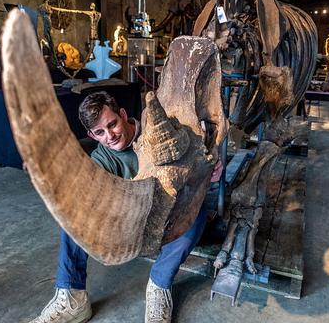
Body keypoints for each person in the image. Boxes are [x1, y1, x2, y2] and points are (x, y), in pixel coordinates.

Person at [30, 91, 222, 323]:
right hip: (131, 226)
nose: (110, 136)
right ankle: (71, 296)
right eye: (100, 132)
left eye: (112, 124)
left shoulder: (160, 130)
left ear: (122, 114)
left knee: (196, 210)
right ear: (91, 135)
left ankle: (159, 286)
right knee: (74, 215)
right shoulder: (102, 159)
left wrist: (209, 172)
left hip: (172, 221)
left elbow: (197, 169)